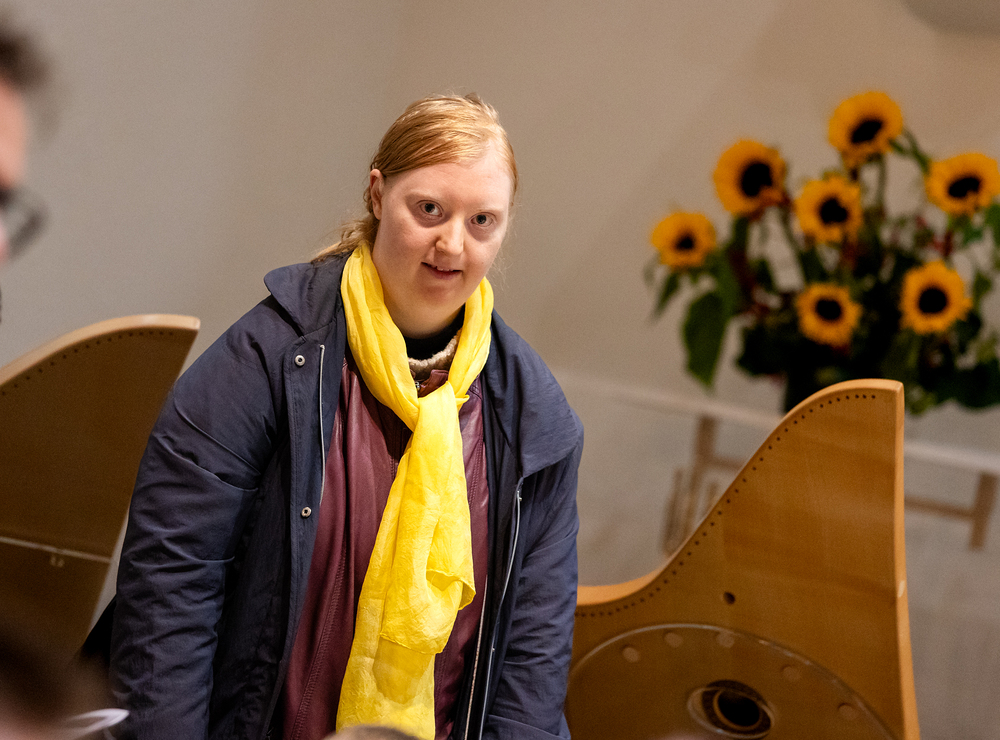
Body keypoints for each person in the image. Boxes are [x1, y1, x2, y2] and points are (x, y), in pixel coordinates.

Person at [109, 93, 583, 740]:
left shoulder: (534, 418)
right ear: (378, 194)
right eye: (429, 209)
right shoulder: (265, 360)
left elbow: (532, 662)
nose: (452, 244)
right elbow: (169, 589)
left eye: (482, 221)